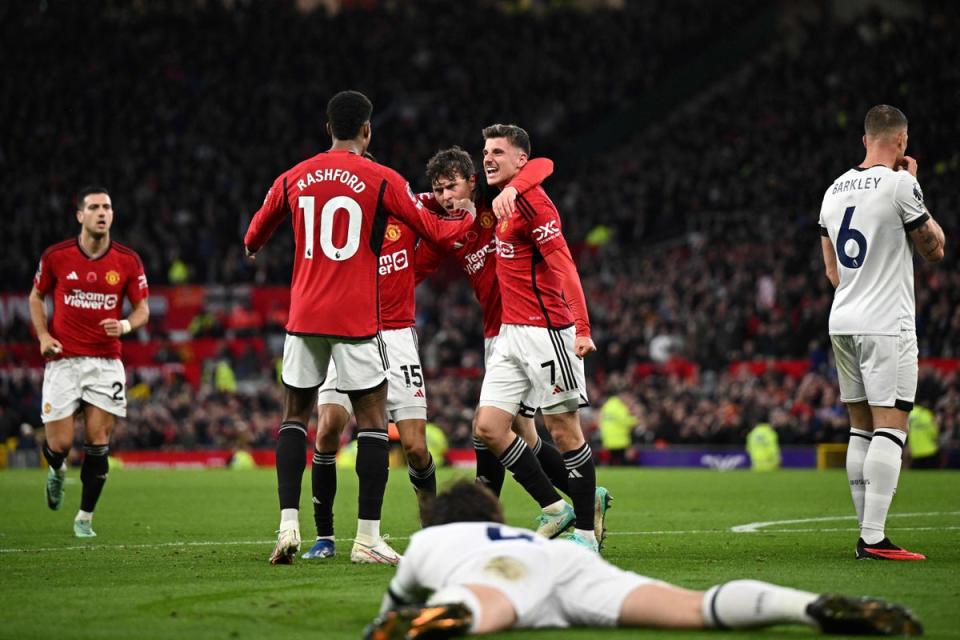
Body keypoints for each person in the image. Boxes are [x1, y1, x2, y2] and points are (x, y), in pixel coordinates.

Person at [243, 90, 475, 565]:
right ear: (367, 131)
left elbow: (253, 237)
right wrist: (465, 220)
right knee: (369, 424)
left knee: (294, 418)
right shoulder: (381, 179)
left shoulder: (294, 176)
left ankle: (288, 524)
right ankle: (364, 538)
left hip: (305, 317)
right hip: (355, 320)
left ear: (327, 129)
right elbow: (435, 230)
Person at [364, 480, 922, 639]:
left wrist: (399, 618)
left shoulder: (432, 542)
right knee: (697, 608)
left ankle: (453, 617)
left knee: (483, 604)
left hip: (502, 576)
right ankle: (808, 607)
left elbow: (387, 616)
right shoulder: (520, 536)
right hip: (568, 566)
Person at [303, 151, 483, 564]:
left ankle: (431, 535)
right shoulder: (340, 221)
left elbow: (447, 202)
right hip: (347, 331)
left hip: (396, 335)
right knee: (328, 428)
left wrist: (469, 209)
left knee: (417, 447)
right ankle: (325, 537)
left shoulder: (408, 204)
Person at [414, 147, 574, 525]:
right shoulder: (446, 230)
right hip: (495, 334)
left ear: (472, 182)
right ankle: (583, 497)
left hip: (527, 328)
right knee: (516, 433)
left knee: (490, 428)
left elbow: (543, 164)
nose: (446, 197)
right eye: (438, 191)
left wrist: (514, 190)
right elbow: (413, 270)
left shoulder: (494, 200)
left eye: (452, 187)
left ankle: (553, 508)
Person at [818, 104, 945, 561]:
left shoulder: (832, 191)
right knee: (891, 428)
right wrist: (917, 189)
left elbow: (832, 269)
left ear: (864, 139)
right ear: (902, 141)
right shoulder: (901, 185)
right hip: (885, 322)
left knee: (860, 429)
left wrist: (857, 290)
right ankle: (873, 539)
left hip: (843, 318)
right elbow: (935, 249)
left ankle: (866, 531)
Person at [472, 124, 607, 552]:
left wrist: (582, 329)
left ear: (519, 160)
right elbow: (543, 163)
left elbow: (564, 265)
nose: (488, 158)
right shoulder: (504, 200)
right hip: (510, 334)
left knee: (564, 430)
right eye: (485, 151)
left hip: (548, 332)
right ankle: (555, 507)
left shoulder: (535, 205)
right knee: (490, 428)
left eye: (498, 152)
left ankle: (586, 534)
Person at [28, 186, 150, 537]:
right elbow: (36, 297)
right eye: (94, 207)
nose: (102, 212)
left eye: (107, 207)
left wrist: (125, 324)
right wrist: (43, 336)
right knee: (60, 444)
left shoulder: (128, 260)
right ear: (80, 215)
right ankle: (57, 470)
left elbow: (142, 308)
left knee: (98, 440)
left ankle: (85, 517)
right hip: (63, 361)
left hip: (105, 362)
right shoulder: (57, 256)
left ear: (112, 214)